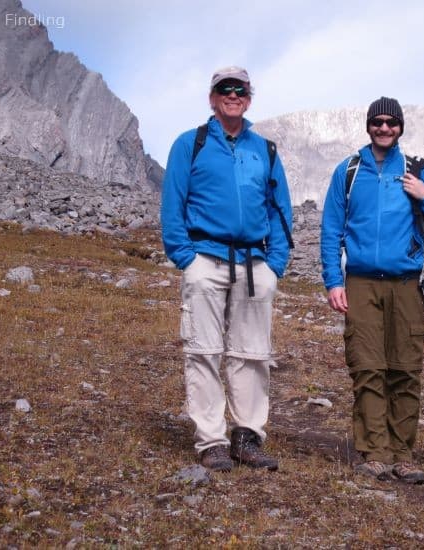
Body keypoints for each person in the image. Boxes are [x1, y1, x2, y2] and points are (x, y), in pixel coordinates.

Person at [160, 66, 293, 472]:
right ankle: (212, 441)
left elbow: (280, 212)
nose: (232, 95)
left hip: (255, 264)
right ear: (212, 97)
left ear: (249, 98)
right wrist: (186, 259)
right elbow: (173, 204)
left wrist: (275, 264)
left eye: (240, 90)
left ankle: (247, 437)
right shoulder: (190, 145)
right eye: (224, 89)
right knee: (203, 350)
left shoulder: (265, 150)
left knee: (252, 353)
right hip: (205, 259)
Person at [320, 97, 424, 483]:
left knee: (405, 371)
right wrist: (333, 280)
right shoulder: (348, 170)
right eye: (377, 122)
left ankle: (403, 454)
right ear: (368, 126)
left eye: (391, 123)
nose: (384, 128)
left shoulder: (419, 171)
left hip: (406, 285)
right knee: (367, 368)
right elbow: (331, 230)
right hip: (360, 284)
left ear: (400, 127)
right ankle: (375, 452)